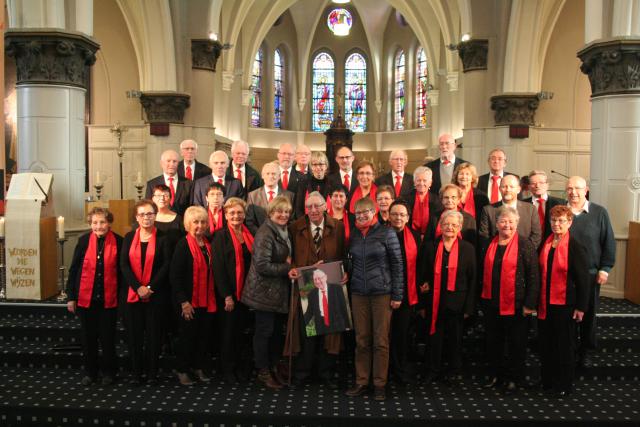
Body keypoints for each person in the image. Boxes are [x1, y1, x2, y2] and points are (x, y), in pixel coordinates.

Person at [286, 191, 346, 389]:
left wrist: (345, 272)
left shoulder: (338, 226)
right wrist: (293, 267)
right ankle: (302, 374)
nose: (313, 210)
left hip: (330, 285)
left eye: (317, 206)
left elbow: (344, 255)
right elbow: (290, 255)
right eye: (309, 207)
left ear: (325, 207)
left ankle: (326, 374)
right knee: (307, 331)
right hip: (306, 285)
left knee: (329, 331)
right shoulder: (295, 227)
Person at [345, 197, 404, 401]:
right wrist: (347, 272)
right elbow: (349, 260)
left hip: (382, 293)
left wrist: (397, 295)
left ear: (375, 212)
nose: (361, 216)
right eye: (357, 213)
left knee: (381, 341)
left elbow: (397, 265)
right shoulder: (353, 234)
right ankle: (362, 381)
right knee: (362, 340)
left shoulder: (387, 233)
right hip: (358, 293)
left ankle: (380, 384)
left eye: (365, 212)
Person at [241, 196, 298, 390]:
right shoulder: (265, 233)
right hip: (262, 293)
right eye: (279, 211)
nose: (283, 215)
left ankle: (273, 367)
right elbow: (262, 265)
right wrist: (286, 268)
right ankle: (263, 371)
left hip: (276, 292)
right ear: (270, 213)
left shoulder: (283, 230)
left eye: (286, 212)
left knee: (274, 333)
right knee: (264, 333)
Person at [480, 207, 539, 394]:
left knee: (517, 344)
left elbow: (534, 276)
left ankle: (514, 379)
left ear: (517, 223)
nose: (507, 225)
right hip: (492, 304)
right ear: (496, 224)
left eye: (511, 222)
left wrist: (530, 304)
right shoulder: (489, 243)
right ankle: (495, 375)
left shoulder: (525, 245)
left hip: (518, 305)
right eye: (503, 221)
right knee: (493, 343)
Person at [66, 207, 123, 386]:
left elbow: (122, 272)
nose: (99, 226)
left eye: (103, 222)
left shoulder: (119, 241)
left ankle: (109, 373)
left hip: (109, 300)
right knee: (88, 339)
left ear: (109, 223)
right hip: (86, 299)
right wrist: (71, 296)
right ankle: (90, 373)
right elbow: (74, 269)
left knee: (107, 339)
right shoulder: (83, 241)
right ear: (90, 224)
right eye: (95, 223)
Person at [538, 205, 590, 397]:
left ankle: (564, 385)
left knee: (564, 346)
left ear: (569, 222)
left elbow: (583, 279)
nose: (556, 224)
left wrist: (581, 307)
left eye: (561, 220)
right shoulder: (546, 243)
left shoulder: (575, 247)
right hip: (545, 303)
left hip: (566, 305)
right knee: (546, 344)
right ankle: (548, 381)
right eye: (553, 220)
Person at [565, 176, 615, 368]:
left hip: (591, 274)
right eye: (569, 188)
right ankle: (569, 350)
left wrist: (605, 268)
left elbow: (608, 242)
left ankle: (585, 351)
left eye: (577, 188)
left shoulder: (599, 212)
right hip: (565, 275)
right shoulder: (561, 212)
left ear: (586, 189)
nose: (573, 192)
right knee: (568, 315)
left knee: (587, 314)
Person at [423, 210, 477, 384]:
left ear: (460, 227)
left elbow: (473, 279)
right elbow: (422, 275)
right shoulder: (430, 246)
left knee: (455, 339)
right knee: (434, 339)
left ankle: (454, 371)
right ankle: (433, 370)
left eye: (454, 225)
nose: (450, 227)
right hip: (434, 301)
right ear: (440, 225)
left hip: (458, 304)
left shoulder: (468, 249)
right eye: (446, 224)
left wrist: (469, 307)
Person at [120, 200, 171, 385]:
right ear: (136, 217)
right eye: (142, 214)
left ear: (155, 215)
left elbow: (166, 265)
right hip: (132, 296)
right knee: (134, 337)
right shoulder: (128, 237)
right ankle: (136, 373)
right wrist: (138, 287)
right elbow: (123, 265)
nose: (146, 218)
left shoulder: (164, 237)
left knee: (154, 336)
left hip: (155, 296)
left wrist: (149, 288)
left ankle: (151, 374)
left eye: (150, 214)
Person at [170, 206, 217, 386]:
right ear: (188, 224)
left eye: (203, 222)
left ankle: (198, 367)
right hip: (188, 301)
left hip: (207, 299)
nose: (200, 225)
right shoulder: (183, 244)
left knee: (202, 337)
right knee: (187, 338)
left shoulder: (208, 243)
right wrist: (184, 302)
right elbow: (175, 276)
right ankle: (182, 370)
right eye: (195, 222)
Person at [212, 198, 254, 384]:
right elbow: (218, 268)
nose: (236, 216)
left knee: (243, 333)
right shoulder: (220, 236)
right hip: (228, 294)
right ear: (225, 215)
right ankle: (228, 370)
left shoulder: (250, 233)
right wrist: (227, 295)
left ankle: (241, 368)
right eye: (232, 213)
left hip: (248, 293)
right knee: (228, 333)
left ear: (244, 214)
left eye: (239, 212)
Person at [387, 200, 423, 384]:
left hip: (408, 294)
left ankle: (399, 371)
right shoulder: (381, 234)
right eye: (394, 214)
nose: (398, 218)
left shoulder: (416, 237)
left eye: (402, 214)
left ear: (408, 218)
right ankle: (385, 371)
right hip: (385, 294)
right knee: (385, 335)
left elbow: (420, 266)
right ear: (388, 216)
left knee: (402, 334)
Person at [479, 174, 542, 249]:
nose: (507, 190)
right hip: (497, 255)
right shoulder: (488, 210)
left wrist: (524, 252)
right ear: (499, 189)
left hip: (524, 256)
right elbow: (484, 236)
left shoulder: (531, 209)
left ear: (518, 189)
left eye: (511, 187)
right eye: (504, 186)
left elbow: (536, 235)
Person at [246, 162, 294, 235]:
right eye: (267, 173)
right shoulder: (252, 196)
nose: (270, 176)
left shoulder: (289, 196)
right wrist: (262, 234)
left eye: (274, 174)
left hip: (282, 239)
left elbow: (291, 220)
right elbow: (249, 221)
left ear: (279, 176)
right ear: (262, 176)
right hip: (260, 239)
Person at [145, 150, 193, 216]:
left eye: (174, 161)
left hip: (181, 223)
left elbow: (192, 207)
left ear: (178, 163)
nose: (172, 164)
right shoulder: (152, 184)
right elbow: (148, 207)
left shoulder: (189, 183)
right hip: (159, 222)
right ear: (161, 163)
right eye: (168, 161)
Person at [523, 170, 566, 243]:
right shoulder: (522, 204)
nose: (537, 186)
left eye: (541, 183)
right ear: (529, 187)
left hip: (553, 244)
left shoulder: (560, 203)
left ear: (547, 185)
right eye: (533, 183)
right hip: (529, 245)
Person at [404, 166, 442, 238]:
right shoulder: (405, 199)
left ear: (430, 183)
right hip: (409, 236)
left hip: (431, 237)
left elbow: (437, 224)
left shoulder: (437, 201)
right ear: (414, 182)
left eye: (424, 180)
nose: (421, 183)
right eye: (418, 180)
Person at [294, 151, 331, 218]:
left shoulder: (332, 184)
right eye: (314, 164)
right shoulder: (303, 183)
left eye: (321, 164)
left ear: (326, 166)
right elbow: (299, 208)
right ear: (311, 167)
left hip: (328, 222)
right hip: (307, 222)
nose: (318, 167)